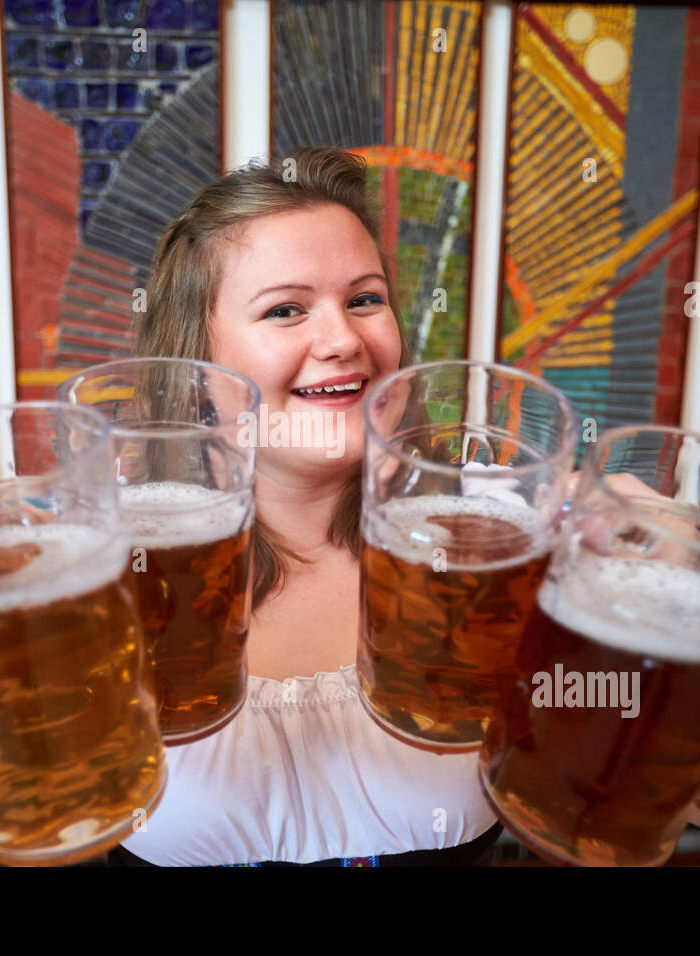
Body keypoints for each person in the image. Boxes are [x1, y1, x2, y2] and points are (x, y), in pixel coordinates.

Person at [112, 147, 503, 866]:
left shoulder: (502, 535)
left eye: (365, 299)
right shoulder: (115, 560)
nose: (345, 339)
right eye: (286, 309)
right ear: (196, 363)